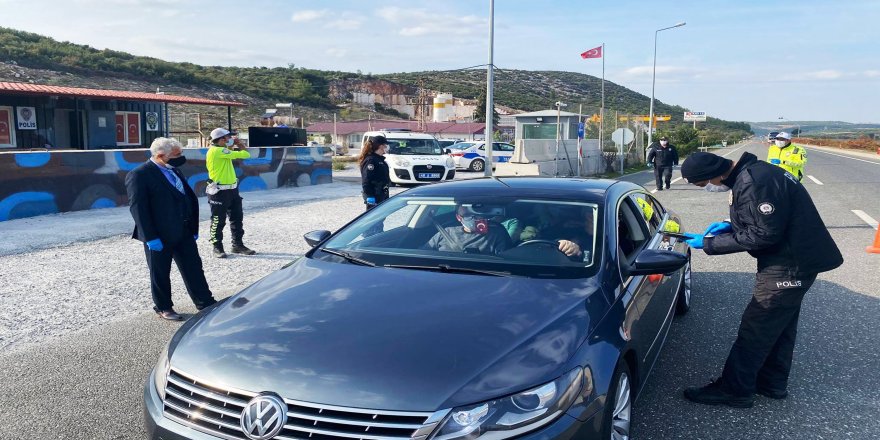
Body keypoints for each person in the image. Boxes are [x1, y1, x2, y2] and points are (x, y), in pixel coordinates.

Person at [678, 151, 843, 408]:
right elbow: (768, 216)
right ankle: (771, 383)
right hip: (794, 259)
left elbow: (764, 234)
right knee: (779, 326)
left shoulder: (754, 182)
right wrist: (730, 225)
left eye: (705, 183)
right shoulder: (754, 172)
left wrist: (709, 244)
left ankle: (735, 390)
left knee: (755, 328)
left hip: (789, 264)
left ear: (714, 174)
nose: (709, 188)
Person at [125, 137, 217, 321]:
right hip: (159, 234)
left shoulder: (173, 170)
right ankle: (163, 307)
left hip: (183, 231)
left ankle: (205, 302)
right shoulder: (140, 174)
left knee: (194, 268)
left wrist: (192, 226)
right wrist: (150, 237)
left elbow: (184, 198)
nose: (180, 158)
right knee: (160, 272)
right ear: (160, 156)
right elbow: (138, 208)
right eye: (176, 155)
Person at [206, 127, 256, 258]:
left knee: (237, 219)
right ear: (221, 139)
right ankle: (217, 247)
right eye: (228, 137)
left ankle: (237, 245)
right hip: (219, 192)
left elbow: (231, 152)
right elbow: (245, 154)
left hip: (232, 190)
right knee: (218, 220)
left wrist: (233, 146)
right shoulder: (217, 150)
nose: (230, 139)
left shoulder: (222, 150)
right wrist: (240, 145)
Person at [425, 204, 512, 254]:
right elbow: (424, 253)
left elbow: (505, 261)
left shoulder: (496, 233)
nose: (474, 218)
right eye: (467, 215)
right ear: (459, 218)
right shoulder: (445, 233)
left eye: (477, 215)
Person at [359, 135, 391, 211]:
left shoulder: (380, 160)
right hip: (374, 195)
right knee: (373, 219)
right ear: (381, 146)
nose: (387, 147)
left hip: (382, 194)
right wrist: (369, 195)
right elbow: (366, 180)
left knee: (381, 217)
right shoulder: (371, 160)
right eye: (385, 145)